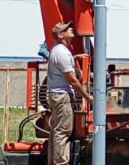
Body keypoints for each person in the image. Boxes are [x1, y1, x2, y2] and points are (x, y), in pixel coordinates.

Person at [47, 22, 93, 165]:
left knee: (56, 131)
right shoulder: (62, 52)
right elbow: (72, 80)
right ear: (60, 35)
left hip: (55, 94)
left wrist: (75, 57)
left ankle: (53, 161)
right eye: (67, 29)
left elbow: (63, 65)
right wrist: (87, 97)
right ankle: (60, 162)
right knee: (63, 132)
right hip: (62, 96)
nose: (71, 29)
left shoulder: (58, 50)